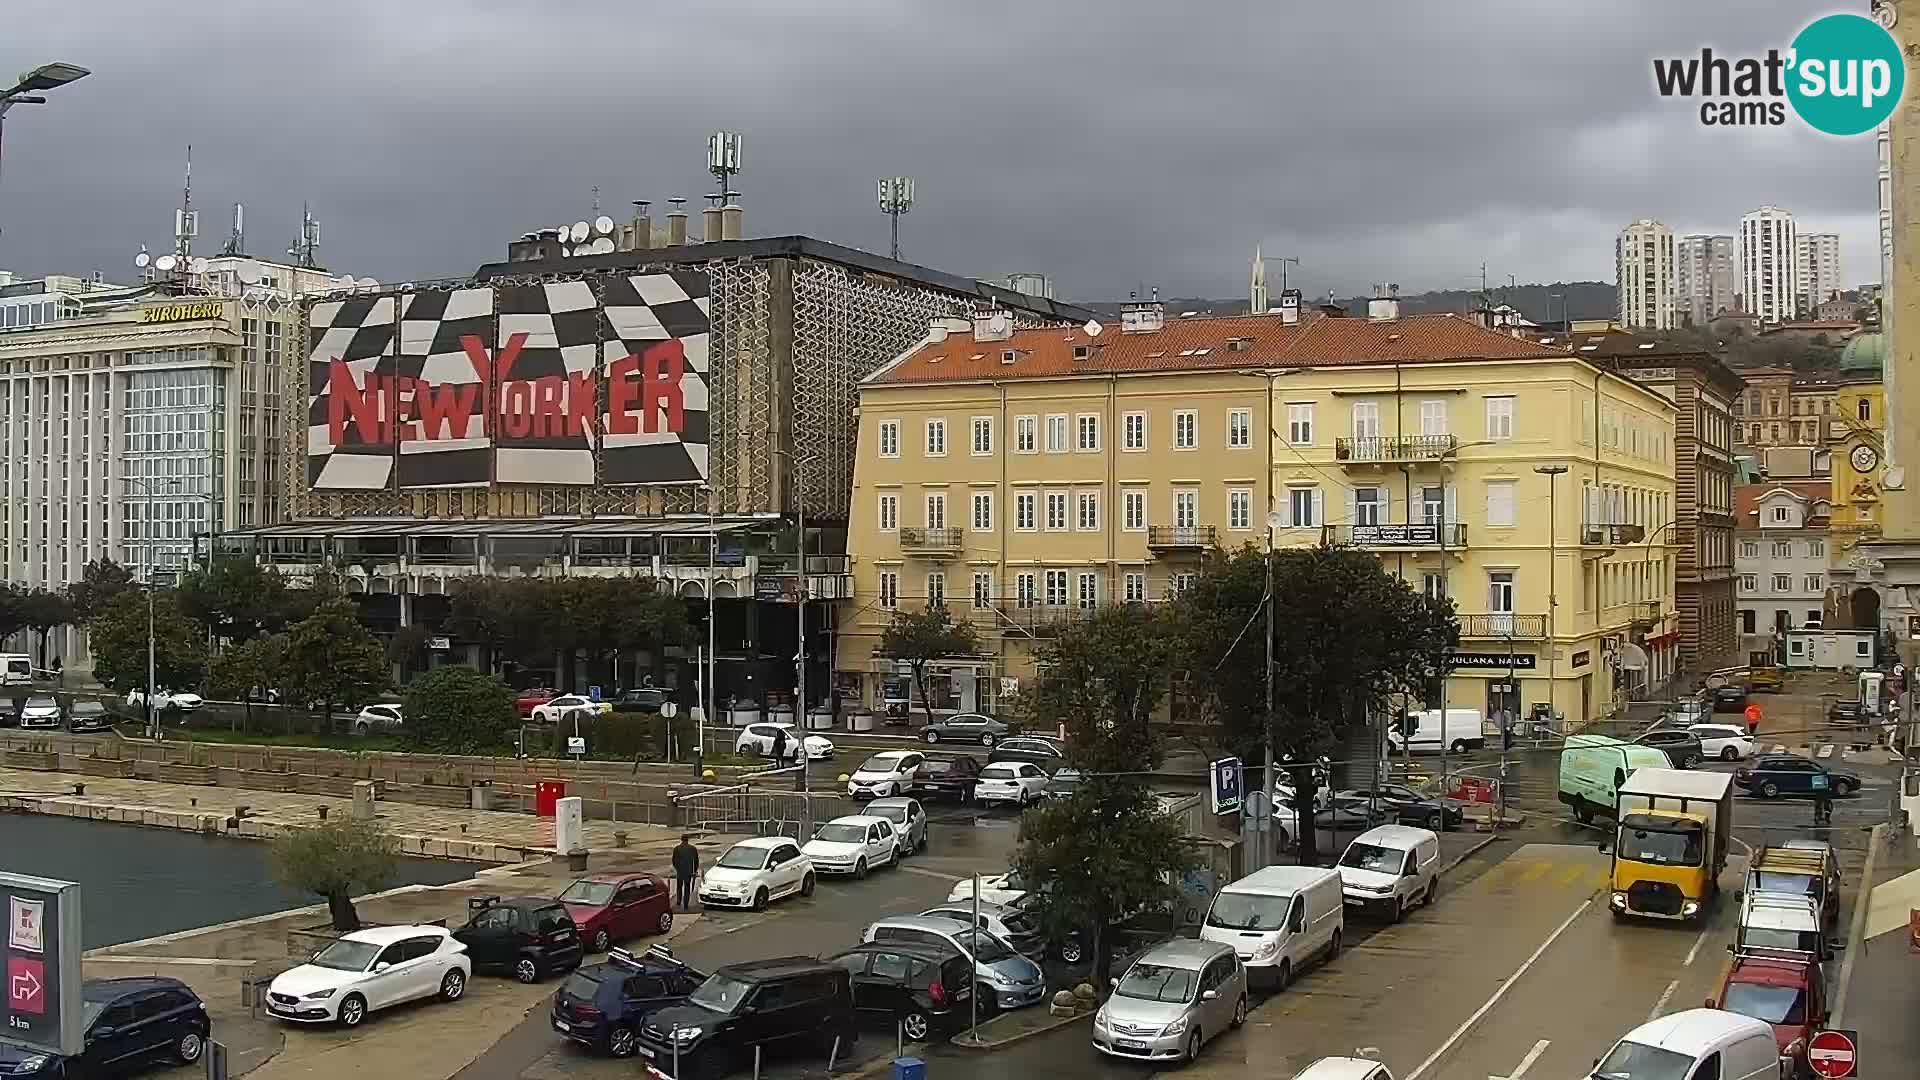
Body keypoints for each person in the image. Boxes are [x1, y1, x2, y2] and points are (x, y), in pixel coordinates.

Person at [672, 834, 699, 910]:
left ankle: (678, 901)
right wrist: (694, 870)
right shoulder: (693, 849)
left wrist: (677, 868)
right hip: (689, 872)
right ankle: (686, 904)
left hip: (680, 871)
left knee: (679, 887)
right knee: (687, 888)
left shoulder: (677, 848)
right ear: (688, 839)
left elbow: (674, 860)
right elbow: (696, 861)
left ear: (681, 839)